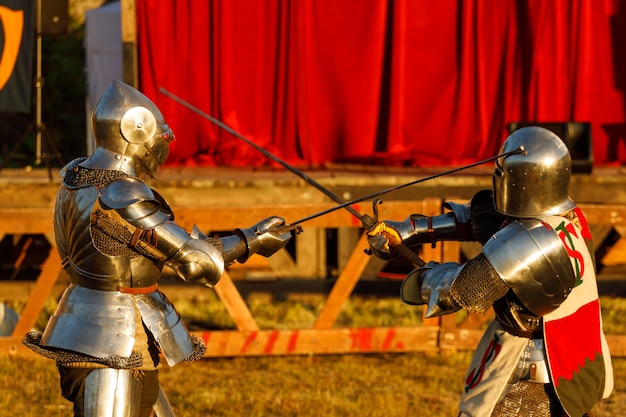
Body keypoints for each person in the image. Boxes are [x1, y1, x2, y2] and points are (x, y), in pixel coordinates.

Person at [23, 80, 293, 417]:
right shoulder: (123, 193)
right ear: (134, 131)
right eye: (157, 136)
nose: (160, 145)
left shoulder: (74, 176)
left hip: (78, 322)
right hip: (115, 336)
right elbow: (195, 260)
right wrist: (250, 240)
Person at [366, 126, 613, 416]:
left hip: (536, 370)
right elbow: (476, 219)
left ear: (522, 180)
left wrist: (427, 274)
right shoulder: (568, 217)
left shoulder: (529, 240)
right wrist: (408, 231)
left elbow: (462, 292)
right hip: (578, 350)